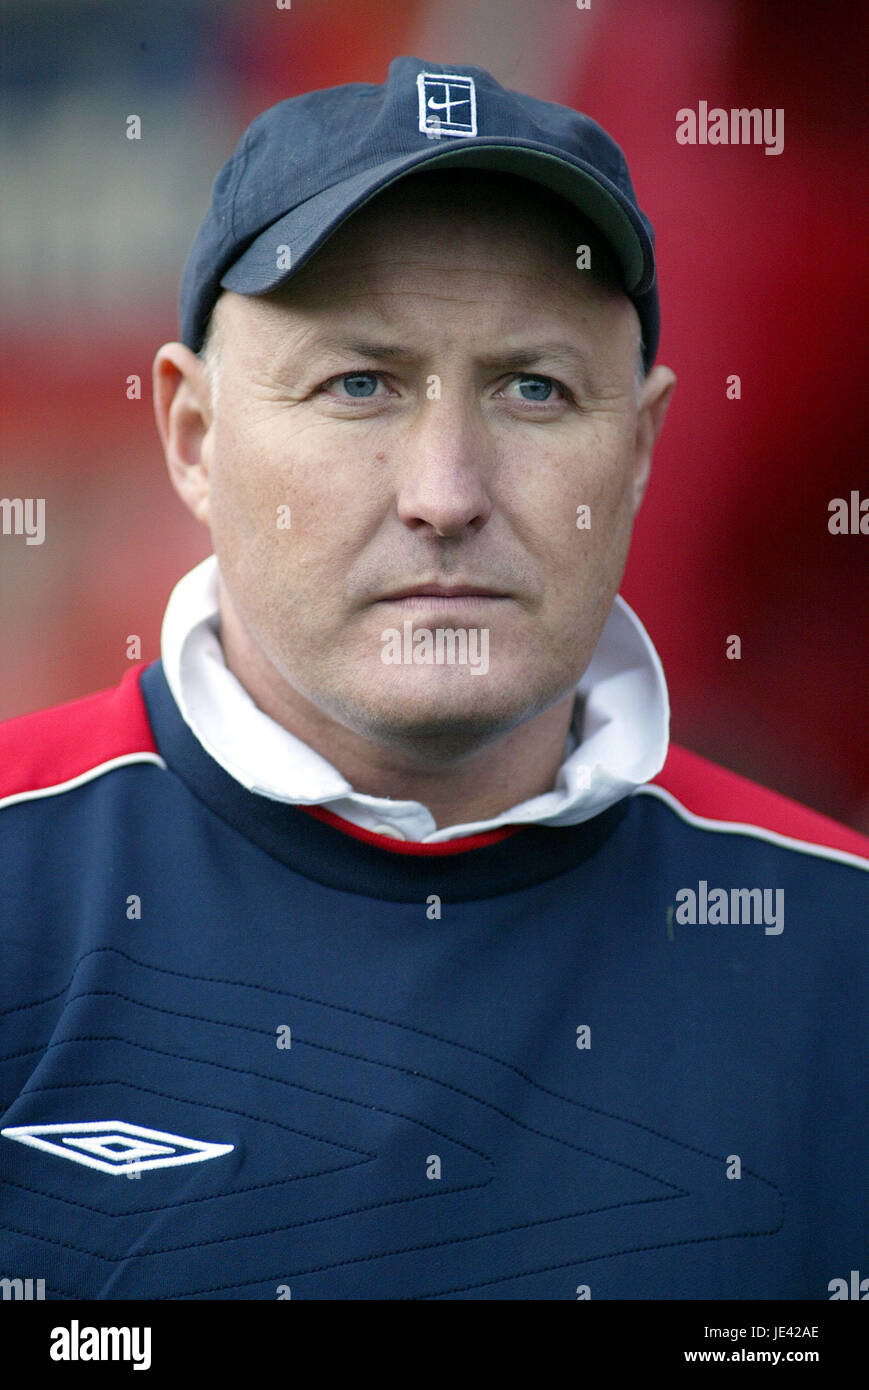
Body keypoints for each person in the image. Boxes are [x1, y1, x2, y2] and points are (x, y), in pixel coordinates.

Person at [1, 57, 866, 1302]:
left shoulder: (838, 952)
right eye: (358, 384)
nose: (445, 493)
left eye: (533, 388)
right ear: (194, 437)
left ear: (636, 450)